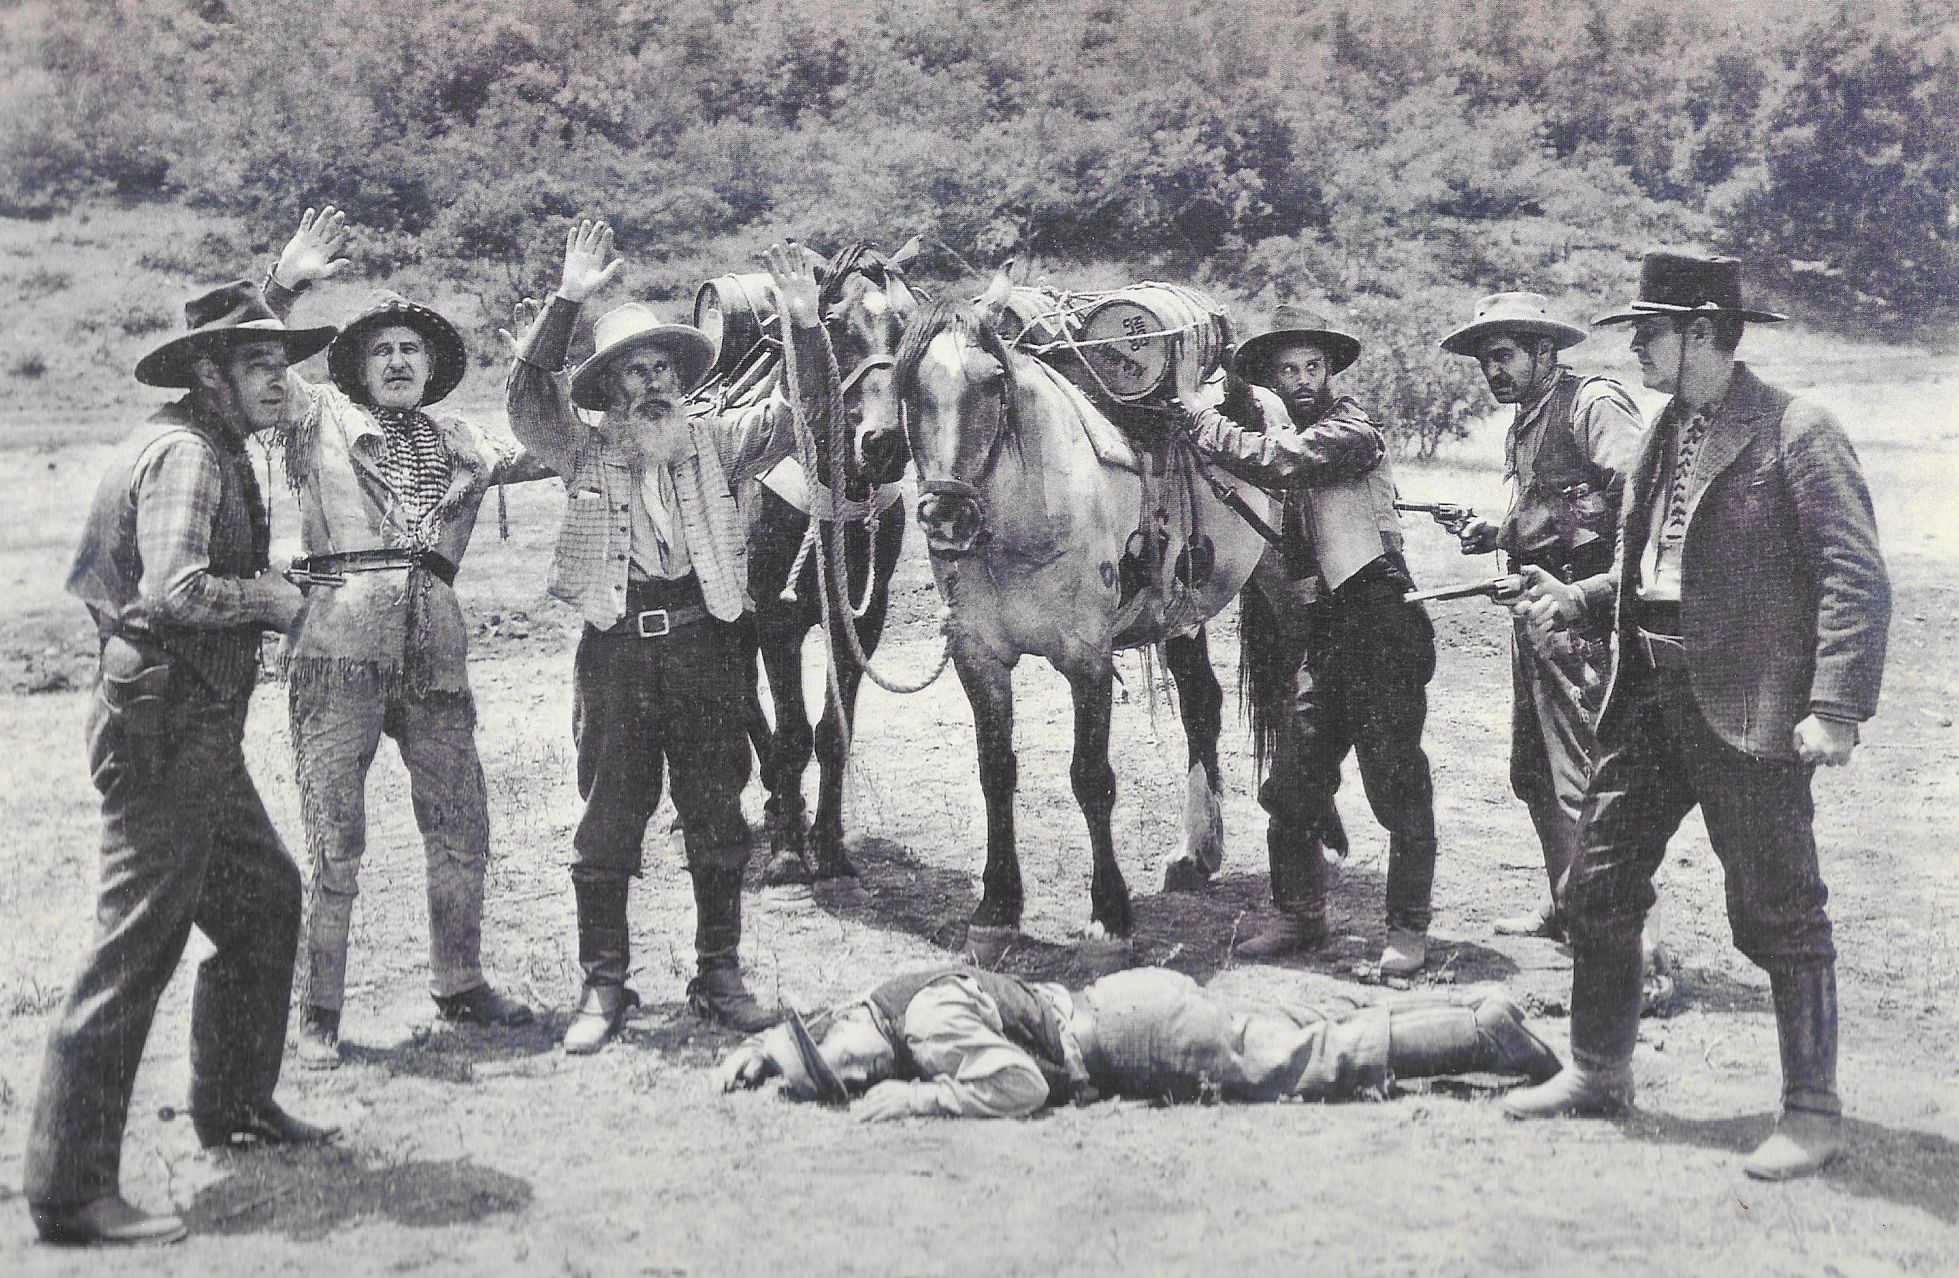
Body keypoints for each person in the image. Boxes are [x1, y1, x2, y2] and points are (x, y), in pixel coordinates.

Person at [1501, 251, 1890, 1182]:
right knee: (1594, 884)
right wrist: (1583, 599)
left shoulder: (1796, 430)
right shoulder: (1662, 428)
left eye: (1649, 331)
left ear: (1703, 333)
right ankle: (1599, 1072)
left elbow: (1854, 578)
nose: (1634, 345)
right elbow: (1657, 570)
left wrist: (1833, 708)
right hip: (1648, 699)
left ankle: (1811, 1112)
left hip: (1751, 711)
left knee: (1778, 913)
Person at [25, 283, 340, 1247]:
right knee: (134, 948)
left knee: (263, 898)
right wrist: (276, 601)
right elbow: (177, 591)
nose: (280, 381)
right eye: (258, 365)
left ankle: (233, 1104)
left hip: (182, 720)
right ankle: (69, 1192)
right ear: (209, 374)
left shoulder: (195, 437)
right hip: (168, 730)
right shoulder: (192, 456)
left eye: (282, 363)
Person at [505, 223, 838, 1051]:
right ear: (610, 388)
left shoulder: (717, 442)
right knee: (609, 815)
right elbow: (522, 401)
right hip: (615, 655)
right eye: (634, 371)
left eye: (662, 369)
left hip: (707, 647)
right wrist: (567, 300)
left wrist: (806, 325)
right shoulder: (581, 450)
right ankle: (603, 987)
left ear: (680, 379)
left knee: (716, 813)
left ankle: (718, 976)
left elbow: (813, 412)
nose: (651, 384)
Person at [258, 207, 545, 1067]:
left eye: (409, 350)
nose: (395, 361)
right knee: (334, 836)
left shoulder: (463, 440)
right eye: (380, 349)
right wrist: (283, 284)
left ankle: (460, 982)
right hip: (337, 647)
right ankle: (318, 1013)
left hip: (438, 652)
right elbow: (260, 363)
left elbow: (554, 440)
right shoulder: (319, 420)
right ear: (355, 366)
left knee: (461, 824)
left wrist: (547, 357)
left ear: (431, 368)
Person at [1175, 304, 1441, 976]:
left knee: (1395, 787)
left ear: (1328, 373)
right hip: (1327, 637)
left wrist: (1196, 416)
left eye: (1311, 367)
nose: (1300, 379)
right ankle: (1298, 915)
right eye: (1287, 369)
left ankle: (1407, 929)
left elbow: (1279, 462)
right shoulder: (1295, 445)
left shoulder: (1347, 430)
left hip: (1382, 626)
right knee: (1291, 787)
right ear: (1270, 380)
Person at [1437, 293, 1645, 941]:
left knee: (1583, 777)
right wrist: (1494, 532)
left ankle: (1624, 941)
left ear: (1545, 352)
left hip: (1584, 618)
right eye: (1484, 362)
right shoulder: (1527, 418)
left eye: (1503, 356)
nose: (1492, 371)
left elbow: (1643, 499)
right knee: (1534, 775)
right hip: (1534, 615)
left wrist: (1597, 592)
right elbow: (1554, 511)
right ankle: (1567, 903)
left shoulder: (1591, 404)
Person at [716, 963, 1561, 1119]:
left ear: (841, 1028)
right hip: (1128, 1007)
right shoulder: (884, 998)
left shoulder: (927, 1026)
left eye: (842, 1064)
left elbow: (1021, 1087)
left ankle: (1473, 1036)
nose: (857, 1076)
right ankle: (1472, 1010)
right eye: (843, 1083)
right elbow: (823, 1033)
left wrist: (922, 1096)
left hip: (1128, 1040)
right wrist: (769, 1054)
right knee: (1296, 1031)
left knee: (1305, 1065)